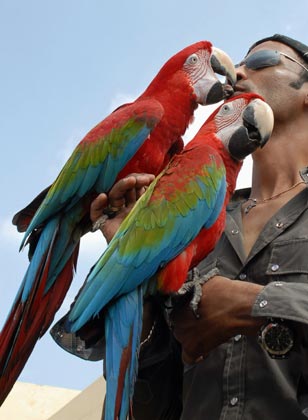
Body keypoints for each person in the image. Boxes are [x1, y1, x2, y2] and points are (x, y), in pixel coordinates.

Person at [51, 34, 308, 419]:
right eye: (239, 63)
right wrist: (138, 267)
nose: (238, 71)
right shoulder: (207, 210)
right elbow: (159, 395)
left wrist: (255, 305)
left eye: (263, 61)